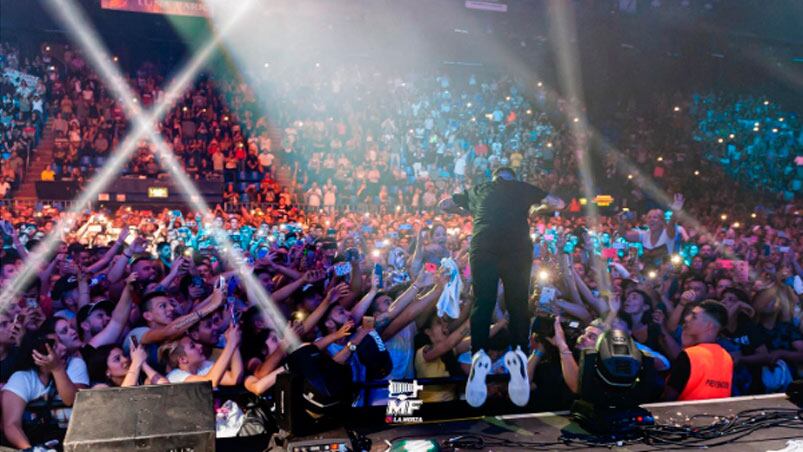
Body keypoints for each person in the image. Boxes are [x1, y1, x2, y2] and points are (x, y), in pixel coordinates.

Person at [439, 166, 564, 407]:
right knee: (518, 303)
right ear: (512, 178)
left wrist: (466, 206)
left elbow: (444, 205)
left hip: (483, 244)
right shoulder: (522, 188)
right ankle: (518, 351)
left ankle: (478, 355)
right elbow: (558, 203)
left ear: (494, 178)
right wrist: (536, 205)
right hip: (517, 247)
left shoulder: (478, 189)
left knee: (482, 302)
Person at [662, 300, 732, 401]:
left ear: (709, 326)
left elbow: (667, 400)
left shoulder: (690, 355)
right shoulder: (727, 357)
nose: (686, 318)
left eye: (694, 317)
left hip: (686, 415)